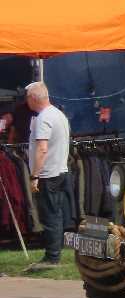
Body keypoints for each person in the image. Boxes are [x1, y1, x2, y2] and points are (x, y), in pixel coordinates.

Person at [24, 82, 71, 271]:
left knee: (49, 215)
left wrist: (34, 175)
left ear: (33, 99)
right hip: (59, 170)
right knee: (56, 213)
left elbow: (42, 149)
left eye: (27, 97)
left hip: (48, 174)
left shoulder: (43, 118)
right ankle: (54, 252)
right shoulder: (58, 114)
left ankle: (52, 257)